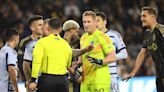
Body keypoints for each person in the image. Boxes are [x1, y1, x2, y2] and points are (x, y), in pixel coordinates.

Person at [123, 7, 164, 92]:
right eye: (141, 16)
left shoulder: (161, 30)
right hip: (159, 75)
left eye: (144, 16)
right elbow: (143, 53)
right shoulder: (147, 34)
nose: (141, 19)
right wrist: (133, 72)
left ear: (153, 17)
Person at [29, 17, 72, 92]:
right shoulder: (66, 44)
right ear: (60, 29)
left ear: (48, 27)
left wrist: (33, 80)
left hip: (47, 80)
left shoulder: (42, 42)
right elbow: (68, 64)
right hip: (63, 81)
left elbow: (36, 61)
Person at [80, 11, 116, 92]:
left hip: (100, 80)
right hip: (85, 81)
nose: (86, 24)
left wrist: (99, 62)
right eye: (84, 22)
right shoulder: (83, 38)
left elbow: (112, 57)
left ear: (95, 22)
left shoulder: (102, 37)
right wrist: (78, 69)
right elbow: (81, 58)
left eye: (89, 22)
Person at [96, 12, 128, 92]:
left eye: (98, 20)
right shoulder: (91, 37)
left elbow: (124, 54)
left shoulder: (114, 35)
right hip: (97, 76)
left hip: (111, 76)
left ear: (105, 22)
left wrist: (110, 58)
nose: (96, 23)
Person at [63, 20, 93, 92]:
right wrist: (75, 74)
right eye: (76, 31)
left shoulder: (70, 43)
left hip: (72, 77)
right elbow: (64, 62)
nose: (77, 34)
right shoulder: (63, 43)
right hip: (68, 78)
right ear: (72, 29)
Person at [23, 19, 49, 92]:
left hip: (53, 80)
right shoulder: (32, 45)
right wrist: (29, 80)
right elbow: (26, 64)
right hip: (37, 82)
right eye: (46, 28)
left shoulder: (57, 44)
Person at [18, 15, 43, 82]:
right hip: (31, 79)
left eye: (43, 25)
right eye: (40, 25)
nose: (42, 27)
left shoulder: (47, 41)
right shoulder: (24, 42)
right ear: (32, 28)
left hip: (45, 79)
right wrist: (27, 79)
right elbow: (21, 62)